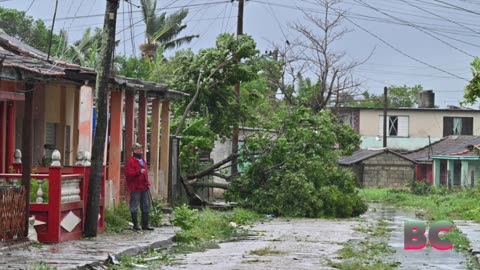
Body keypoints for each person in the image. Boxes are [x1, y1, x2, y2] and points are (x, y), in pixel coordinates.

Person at [125, 143, 154, 231]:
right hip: (135, 187)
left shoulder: (143, 161)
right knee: (134, 205)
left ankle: (145, 224)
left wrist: (147, 183)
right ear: (134, 151)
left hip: (144, 186)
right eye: (138, 149)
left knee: (146, 205)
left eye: (141, 149)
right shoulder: (131, 161)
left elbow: (145, 174)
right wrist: (138, 172)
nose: (140, 151)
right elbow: (129, 174)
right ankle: (135, 224)